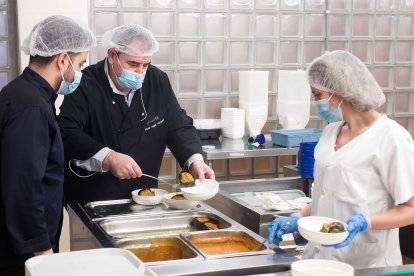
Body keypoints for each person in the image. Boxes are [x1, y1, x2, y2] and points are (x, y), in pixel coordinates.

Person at [268, 50, 414, 269]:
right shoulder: (330, 132)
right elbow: (326, 194)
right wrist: (298, 217)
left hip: (365, 264)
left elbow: (410, 209)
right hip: (317, 261)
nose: (316, 103)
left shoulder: (392, 138)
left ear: (340, 92)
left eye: (317, 95)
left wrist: (367, 222)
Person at [57, 24, 215, 204]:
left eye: (145, 65)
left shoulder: (157, 80)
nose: (140, 72)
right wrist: (108, 157)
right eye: (133, 64)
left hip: (145, 196)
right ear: (111, 55)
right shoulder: (85, 84)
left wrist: (194, 160)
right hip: (96, 198)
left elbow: (178, 126)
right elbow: (66, 132)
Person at [0, 16, 96, 275]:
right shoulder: (32, 108)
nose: (81, 72)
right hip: (22, 253)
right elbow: (23, 186)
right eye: (80, 64)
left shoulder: (23, 94)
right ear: (62, 59)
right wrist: (41, 249)